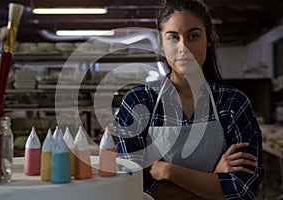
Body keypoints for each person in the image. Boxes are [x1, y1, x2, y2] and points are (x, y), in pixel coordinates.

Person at [113, 0, 264, 199]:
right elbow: (131, 186)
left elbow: (243, 189)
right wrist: (213, 179)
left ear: (209, 38)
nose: (183, 47)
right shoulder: (138, 102)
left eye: (193, 36)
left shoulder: (233, 103)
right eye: (173, 37)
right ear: (161, 42)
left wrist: (169, 171)